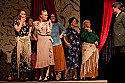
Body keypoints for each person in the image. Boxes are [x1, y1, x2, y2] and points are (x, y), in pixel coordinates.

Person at [8, 9, 32, 81]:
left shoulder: (26, 24)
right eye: (22, 14)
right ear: (19, 15)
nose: (23, 16)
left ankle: (22, 75)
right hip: (19, 42)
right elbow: (18, 30)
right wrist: (21, 22)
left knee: (24, 60)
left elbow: (28, 33)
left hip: (25, 42)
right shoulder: (16, 22)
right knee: (17, 59)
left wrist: (30, 32)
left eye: (24, 14)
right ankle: (11, 75)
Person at [33, 10, 55, 82]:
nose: (46, 16)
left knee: (47, 57)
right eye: (45, 15)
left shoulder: (49, 23)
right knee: (41, 57)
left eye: (47, 15)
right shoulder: (36, 23)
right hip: (40, 41)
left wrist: (48, 24)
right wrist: (35, 37)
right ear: (41, 16)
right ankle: (41, 75)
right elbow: (32, 32)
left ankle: (46, 75)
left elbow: (49, 32)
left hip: (47, 40)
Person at [108, 2, 125, 83]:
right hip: (117, 40)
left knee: (121, 56)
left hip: (121, 40)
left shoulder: (123, 15)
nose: (113, 9)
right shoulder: (116, 16)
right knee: (118, 57)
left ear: (117, 7)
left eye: (113, 8)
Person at [50, 13, 67, 81]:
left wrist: (62, 35)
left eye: (54, 16)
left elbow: (64, 30)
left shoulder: (58, 24)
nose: (53, 17)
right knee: (53, 60)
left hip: (58, 43)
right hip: (51, 44)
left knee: (60, 60)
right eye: (51, 16)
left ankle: (60, 75)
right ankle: (53, 75)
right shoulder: (48, 24)